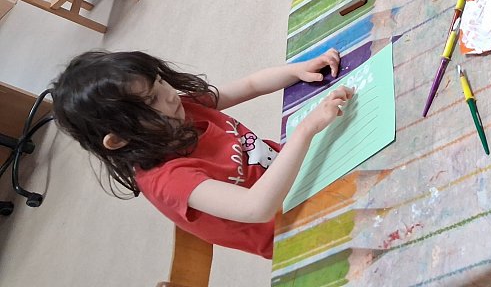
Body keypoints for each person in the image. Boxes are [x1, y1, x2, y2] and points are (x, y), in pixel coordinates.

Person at [51, 49, 354, 258]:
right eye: (152, 99)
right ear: (119, 139)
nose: (170, 95)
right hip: (297, 231)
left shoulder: (180, 109)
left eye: (160, 81)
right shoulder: (167, 179)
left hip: (302, 174)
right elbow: (256, 207)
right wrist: (305, 129)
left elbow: (250, 85)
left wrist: (296, 70)